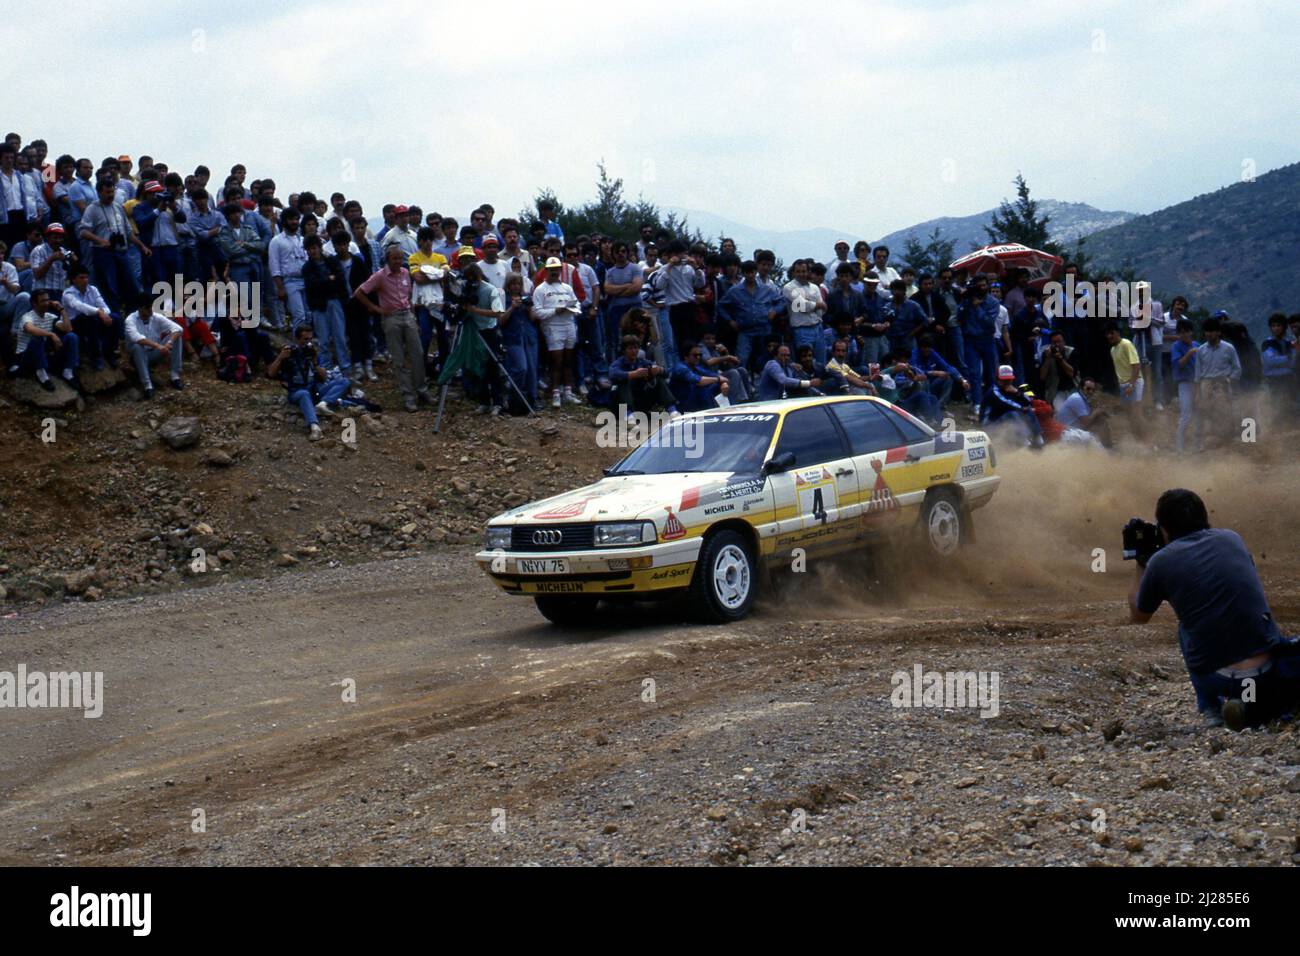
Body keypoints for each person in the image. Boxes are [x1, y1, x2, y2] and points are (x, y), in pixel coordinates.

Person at [1129, 488, 1300, 730]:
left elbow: (1138, 615)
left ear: (1163, 529)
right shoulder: (1232, 538)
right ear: (1204, 516)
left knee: (1187, 627)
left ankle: (1211, 707)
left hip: (1218, 678)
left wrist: (1140, 562)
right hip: (1267, 670)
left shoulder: (1160, 562)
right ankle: (1263, 706)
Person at [354, 244, 431, 413]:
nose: (398, 261)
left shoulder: (405, 273)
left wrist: (414, 317)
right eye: (394, 258)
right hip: (391, 318)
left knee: (417, 354)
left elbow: (409, 296)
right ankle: (408, 396)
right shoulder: (380, 276)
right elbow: (359, 292)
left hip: (408, 316)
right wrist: (377, 309)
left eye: (400, 258)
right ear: (388, 259)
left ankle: (422, 390)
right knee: (399, 359)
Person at [267, 324, 351, 441]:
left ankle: (323, 404)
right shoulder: (289, 352)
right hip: (297, 391)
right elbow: (271, 373)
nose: (308, 342)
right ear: (297, 339)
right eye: (305, 339)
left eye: (310, 339)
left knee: (344, 381)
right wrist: (280, 358)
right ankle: (315, 427)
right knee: (303, 394)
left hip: (314, 389)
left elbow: (324, 376)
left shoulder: (311, 352)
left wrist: (315, 362)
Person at [531, 256, 582, 408]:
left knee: (568, 359)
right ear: (546, 270)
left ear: (560, 270)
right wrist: (556, 311)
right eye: (551, 270)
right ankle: (555, 393)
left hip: (569, 324)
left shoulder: (567, 287)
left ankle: (567, 392)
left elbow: (577, 303)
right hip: (552, 327)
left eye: (557, 269)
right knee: (556, 360)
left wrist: (574, 310)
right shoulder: (540, 289)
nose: (554, 272)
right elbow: (538, 312)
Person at [718, 259, 782, 372]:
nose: (750, 275)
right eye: (747, 272)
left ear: (756, 272)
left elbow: (782, 301)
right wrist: (730, 321)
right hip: (745, 330)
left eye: (752, 272)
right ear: (743, 273)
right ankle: (741, 383)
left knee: (767, 357)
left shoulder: (766, 289)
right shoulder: (735, 291)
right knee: (741, 359)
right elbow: (721, 306)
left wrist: (774, 311)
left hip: (764, 329)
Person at [12, 289, 78, 390]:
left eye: (48, 300)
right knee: (37, 338)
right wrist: (51, 334)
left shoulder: (50, 316)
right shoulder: (27, 316)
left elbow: (68, 329)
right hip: (26, 357)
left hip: (44, 355)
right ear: (34, 303)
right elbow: (30, 328)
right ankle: (42, 375)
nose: (47, 303)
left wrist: (62, 310)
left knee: (71, 336)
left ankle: (67, 372)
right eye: (43, 301)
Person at [124, 292, 184, 398]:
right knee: (137, 346)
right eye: (148, 308)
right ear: (141, 308)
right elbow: (136, 338)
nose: (151, 310)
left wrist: (169, 342)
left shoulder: (156, 317)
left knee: (177, 337)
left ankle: (175, 376)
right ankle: (147, 385)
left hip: (154, 354)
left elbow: (178, 329)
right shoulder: (130, 320)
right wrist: (158, 346)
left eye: (152, 307)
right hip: (138, 357)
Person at [60, 264, 121, 370]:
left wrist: (104, 314)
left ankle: (110, 352)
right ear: (73, 279)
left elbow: (105, 307)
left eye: (86, 277)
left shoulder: (93, 289)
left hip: (93, 319)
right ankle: (96, 357)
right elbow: (80, 307)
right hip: (73, 324)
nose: (85, 280)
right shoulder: (68, 293)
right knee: (89, 319)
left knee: (115, 317)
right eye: (81, 277)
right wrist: (99, 312)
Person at [1195, 315, 1241, 448]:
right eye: (1206, 331)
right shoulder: (1201, 350)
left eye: (1212, 331)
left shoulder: (1229, 348)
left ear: (1218, 332)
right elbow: (1197, 374)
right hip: (1206, 383)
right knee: (1206, 412)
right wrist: (1197, 393)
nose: (1208, 334)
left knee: (1225, 411)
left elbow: (1237, 368)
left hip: (1223, 382)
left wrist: (1229, 380)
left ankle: (1229, 440)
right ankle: (1207, 443)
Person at [609, 335, 676, 418]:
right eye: (630, 348)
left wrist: (658, 370)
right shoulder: (619, 363)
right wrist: (633, 374)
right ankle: (628, 415)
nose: (634, 351)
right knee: (623, 381)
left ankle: (672, 410)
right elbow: (613, 374)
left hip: (639, 401)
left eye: (636, 348)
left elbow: (666, 374)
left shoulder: (642, 362)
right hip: (621, 405)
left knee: (658, 379)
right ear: (624, 350)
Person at [980, 364, 1043, 446]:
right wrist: (1022, 408)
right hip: (989, 426)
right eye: (1004, 380)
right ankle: (1024, 441)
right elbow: (1006, 402)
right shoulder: (993, 392)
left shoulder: (1013, 388)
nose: (1007, 382)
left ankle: (1037, 438)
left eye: (1009, 380)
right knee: (1013, 413)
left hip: (1003, 421)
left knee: (1028, 410)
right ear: (997, 379)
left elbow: (1030, 401)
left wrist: (1017, 393)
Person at [1170, 318, 1200, 454]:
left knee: (1200, 413)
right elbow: (1178, 364)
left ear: (1191, 332)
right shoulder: (1176, 346)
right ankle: (1180, 448)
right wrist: (1189, 353)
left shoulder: (1197, 344)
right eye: (1181, 332)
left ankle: (1199, 445)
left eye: (1186, 331)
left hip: (1198, 383)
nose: (1184, 335)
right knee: (1186, 415)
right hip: (1184, 383)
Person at [1057, 377, 1112, 447]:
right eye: (1088, 389)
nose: (1091, 392)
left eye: (1093, 390)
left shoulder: (1083, 399)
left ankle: (1108, 447)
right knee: (1100, 450)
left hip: (1073, 432)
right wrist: (1096, 412)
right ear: (1081, 388)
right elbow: (1086, 423)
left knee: (1101, 421)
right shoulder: (1077, 398)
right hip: (1068, 434)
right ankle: (1108, 449)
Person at [1259, 313, 1296, 412]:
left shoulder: (1289, 343)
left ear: (1284, 327)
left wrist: (1283, 360)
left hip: (1289, 381)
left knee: (1292, 409)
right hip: (1274, 382)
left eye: (1278, 325)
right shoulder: (1267, 343)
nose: (1276, 328)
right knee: (1276, 410)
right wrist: (1287, 359)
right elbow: (1271, 361)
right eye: (1273, 326)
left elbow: (1294, 362)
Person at [1105, 322, 1143, 407]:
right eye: (1107, 334)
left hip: (1133, 382)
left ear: (1118, 332)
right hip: (1123, 385)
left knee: (1136, 413)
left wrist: (1131, 385)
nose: (1109, 336)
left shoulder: (1126, 344)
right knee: (1128, 413)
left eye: (1112, 333)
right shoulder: (1112, 350)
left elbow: (1136, 365)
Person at [1037, 329, 1077, 405]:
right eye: (1054, 342)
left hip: (1072, 388)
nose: (1057, 344)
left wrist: (1061, 359)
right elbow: (1042, 376)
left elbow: (1071, 374)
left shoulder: (1071, 351)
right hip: (1055, 391)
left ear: (1064, 342)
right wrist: (1048, 358)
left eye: (1059, 341)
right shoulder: (1046, 354)